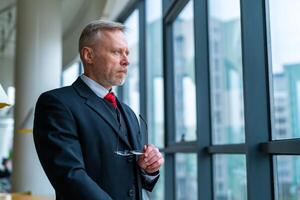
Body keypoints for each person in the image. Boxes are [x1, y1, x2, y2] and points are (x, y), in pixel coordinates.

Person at [33, 20, 164, 200]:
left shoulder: (128, 113)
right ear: (89, 55)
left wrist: (148, 169)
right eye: (117, 52)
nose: (126, 61)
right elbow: (70, 176)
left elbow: (131, 179)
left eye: (127, 53)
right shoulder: (56, 104)